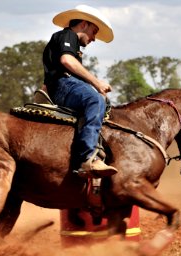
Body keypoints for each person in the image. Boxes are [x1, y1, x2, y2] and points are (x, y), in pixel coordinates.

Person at [43, 5, 118, 178]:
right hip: (63, 85)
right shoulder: (67, 35)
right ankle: (88, 157)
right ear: (84, 24)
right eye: (94, 31)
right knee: (94, 100)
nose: (94, 38)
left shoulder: (72, 46)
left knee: (102, 101)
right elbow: (67, 61)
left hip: (61, 86)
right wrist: (96, 83)